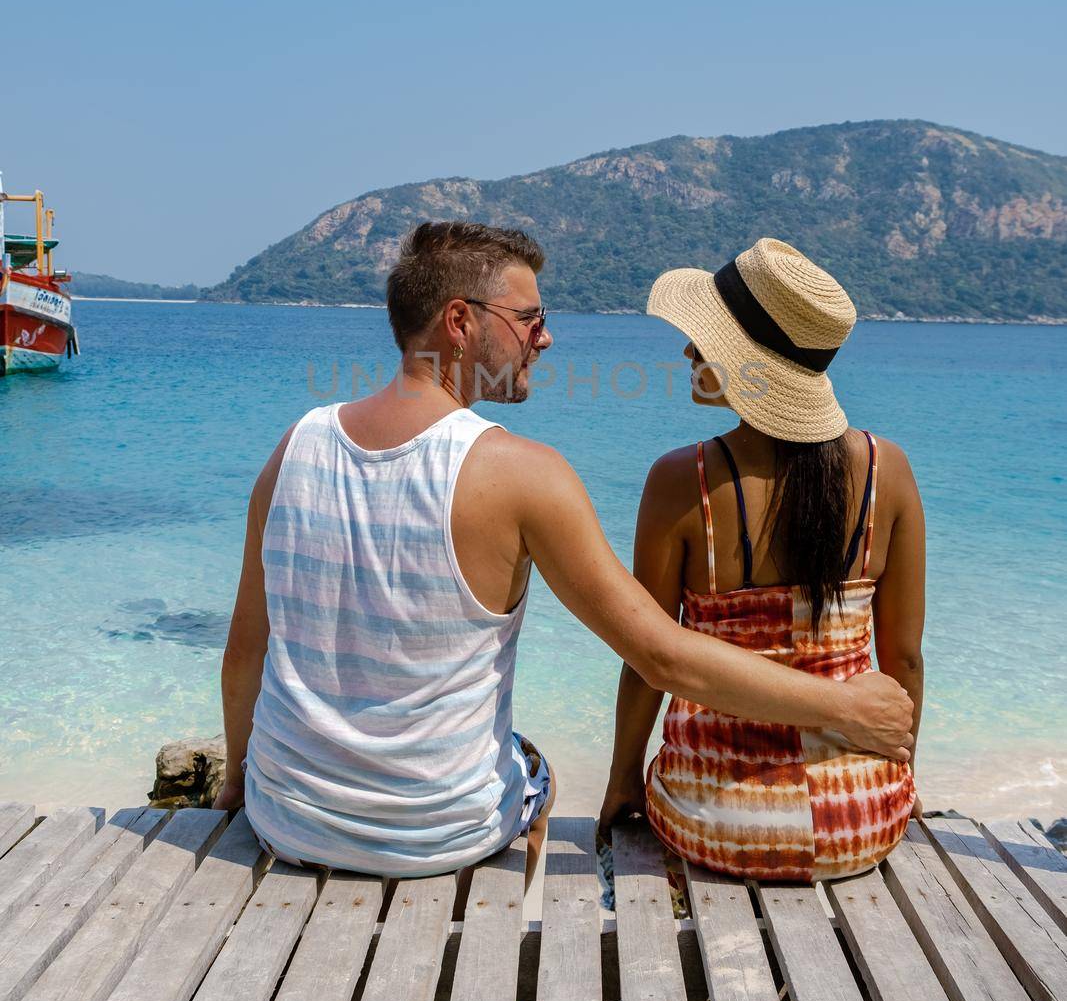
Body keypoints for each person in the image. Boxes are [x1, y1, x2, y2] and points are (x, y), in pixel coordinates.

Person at [216, 222, 914, 894]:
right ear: (459, 321)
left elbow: (246, 648)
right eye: (529, 318)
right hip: (441, 836)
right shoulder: (523, 474)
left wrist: (240, 780)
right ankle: (493, 957)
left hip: (288, 820)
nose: (545, 338)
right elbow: (660, 655)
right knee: (531, 771)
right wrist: (847, 709)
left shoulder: (294, 446)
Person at [599, 237, 924, 908]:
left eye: (705, 340)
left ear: (750, 363)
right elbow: (905, 660)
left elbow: (645, 661)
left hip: (714, 821)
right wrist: (896, 782)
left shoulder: (680, 481)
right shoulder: (886, 470)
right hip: (860, 824)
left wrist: (622, 781)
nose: (688, 353)